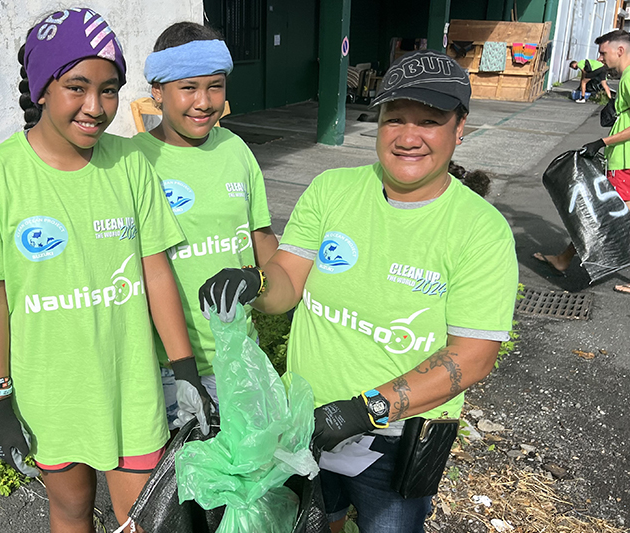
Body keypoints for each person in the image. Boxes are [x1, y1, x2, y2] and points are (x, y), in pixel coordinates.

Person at [198, 50, 518, 532]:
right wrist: (255, 282)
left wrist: (363, 410)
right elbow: (287, 285)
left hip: (401, 434)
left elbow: (473, 356)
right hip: (305, 418)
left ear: (460, 127)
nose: (408, 137)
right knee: (310, 522)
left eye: (429, 122)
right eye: (395, 120)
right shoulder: (332, 190)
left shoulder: (481, 230)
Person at [0, 9, 207, 532]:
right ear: (42, 88)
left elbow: (156, 274)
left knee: (143, 519)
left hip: (132, 386)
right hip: (53, 391)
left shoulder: (130, 164)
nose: (96, 107)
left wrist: (184, 371)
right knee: (69, 510)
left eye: (109, 89)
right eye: (77, 87)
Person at [134, 21, 278, 428]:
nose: (204, 101)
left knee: (246, 482)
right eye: (188, 87)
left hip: (238, 357)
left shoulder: (236, 149)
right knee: (178, 487)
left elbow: (262, 240)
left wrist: (284, 290)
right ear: (158, 92)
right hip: (163, 369)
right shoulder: (133, 161)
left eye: (215, 86)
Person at [535, 30, 630, 293]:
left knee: (607, 214)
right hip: (622, 159)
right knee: (600, 212)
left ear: (619, 51)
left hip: (626, 161)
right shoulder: (624, 78)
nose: (599, 58)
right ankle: (564, 259)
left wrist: (602, 142)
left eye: (603, 52)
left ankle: (564, 259)